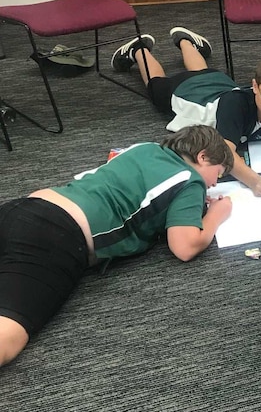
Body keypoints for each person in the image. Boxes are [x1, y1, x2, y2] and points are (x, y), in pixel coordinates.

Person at [0, 125, 234, 367]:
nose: (215, 184)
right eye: (218, 173)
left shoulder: (146, 148)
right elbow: (185, 246)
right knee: (10, 333)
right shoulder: (191, 179)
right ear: (202, 156)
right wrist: (217, 213)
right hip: (55, 234)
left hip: (25, 207)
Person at [111, 27, 261, 197]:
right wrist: (254, 181)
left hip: (217, 82)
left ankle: (185, 41)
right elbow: (226, 151)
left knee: (205, 72)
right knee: (156, 87)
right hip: (190, 94)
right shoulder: (237, 106)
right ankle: (139, 49)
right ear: (255, 87)